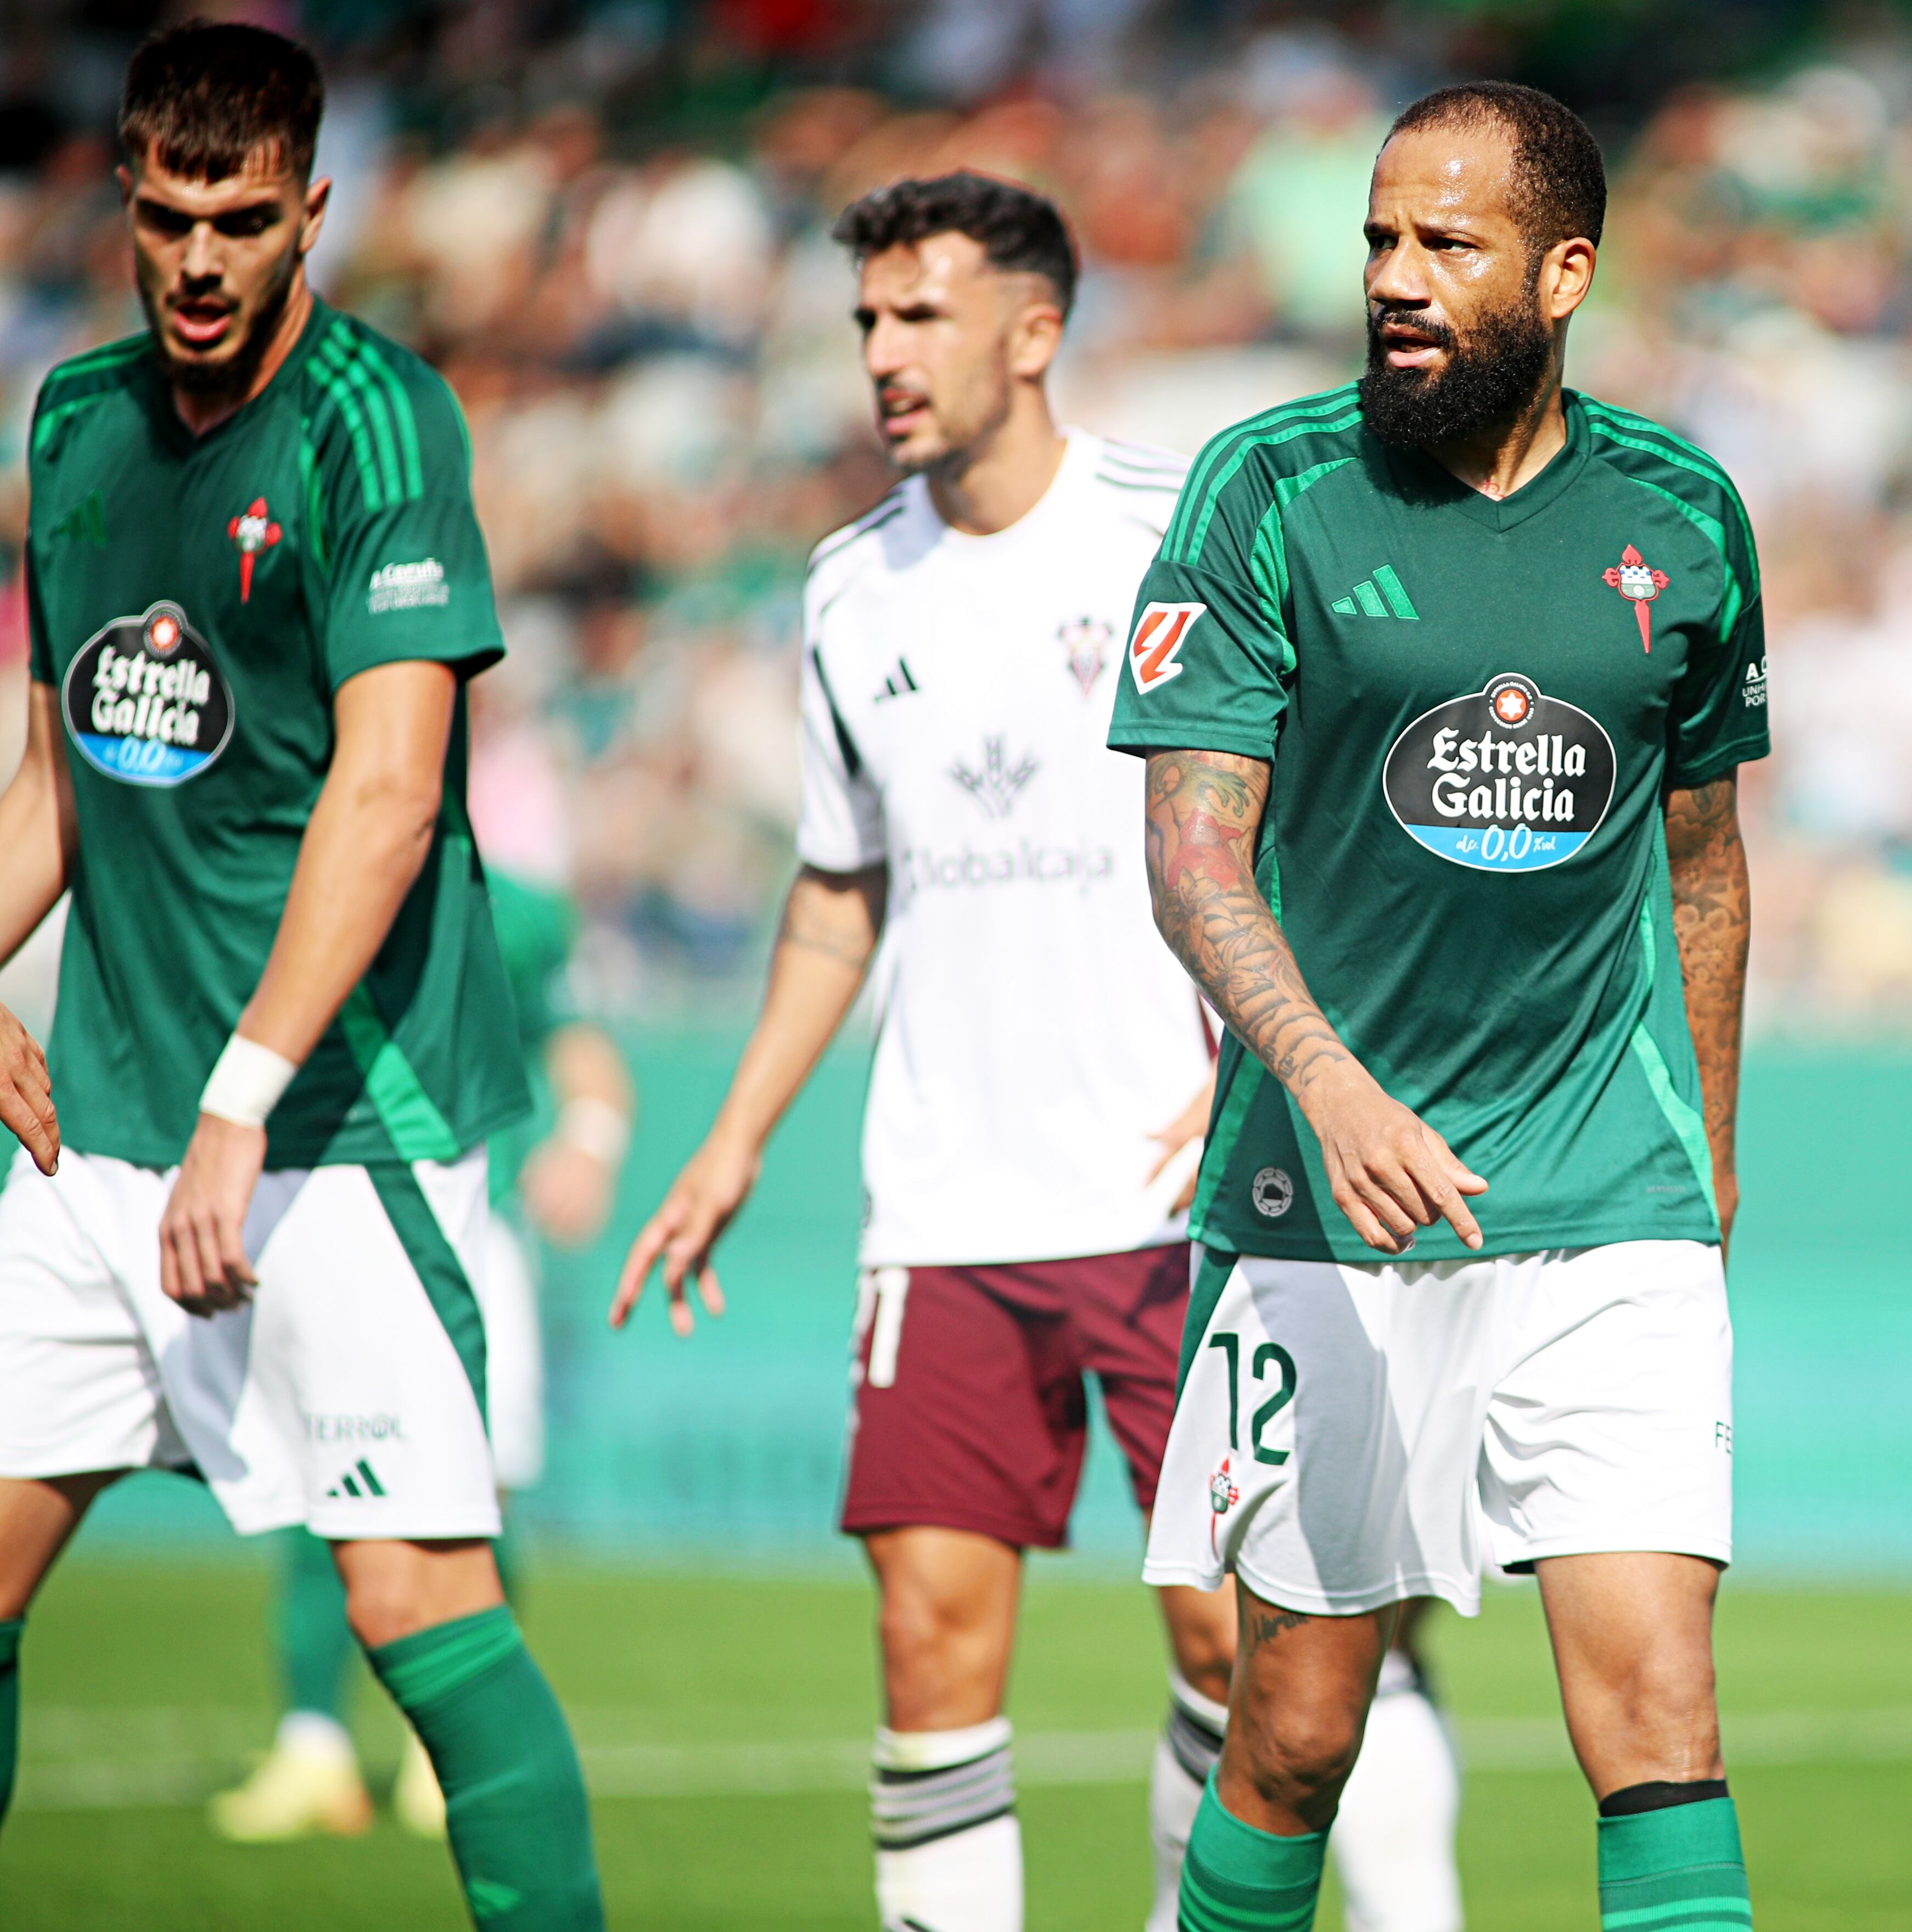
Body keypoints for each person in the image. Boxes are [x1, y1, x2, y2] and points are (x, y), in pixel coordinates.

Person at [609, 169, 1457, 1932]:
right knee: (927, 1653)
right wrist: (733, 1135)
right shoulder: (848, 593)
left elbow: (1304, 821)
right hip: (940, 1200)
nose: (882, 357)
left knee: (1234, 1641)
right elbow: (838, 892)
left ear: (1033, 329)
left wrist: (1259, 1059)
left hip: (1178, 1203)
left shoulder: (1179, 532)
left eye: (919, 317)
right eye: (864, 323)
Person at [1109, 80, 1766, 1932]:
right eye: (1381, 239)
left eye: (1447, 245)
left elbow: (1705, 865)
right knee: (1295, 1735)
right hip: (1317, 1207)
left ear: (1565, 272)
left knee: (1657, 1711)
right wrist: (1324, 1084)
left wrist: (1700, 1175)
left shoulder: (1684, 514)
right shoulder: (1267, 487)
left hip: (1603, 1207)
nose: (1396, 278)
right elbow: (1187, 852)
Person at [0, 24, 603, 1928]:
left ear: (311, 212)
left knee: (412, 1604)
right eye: (169, 216)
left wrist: (239, 1110)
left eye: (242, 220)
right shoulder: (70, 421)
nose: (199, 259)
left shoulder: (378, 421)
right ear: (122, 204)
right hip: (104, 1124)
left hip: (337, 1122)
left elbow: (393, 789)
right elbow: (62, 770)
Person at [210, 866, 634, 1843]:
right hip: (311, 1205)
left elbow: (582, 1053)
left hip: (457, 1218)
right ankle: (313, 1743)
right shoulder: (272, 866)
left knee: (477, 1487)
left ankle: (442, 1756)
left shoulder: (511, 909)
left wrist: (593, 1141)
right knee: (326, 1476)